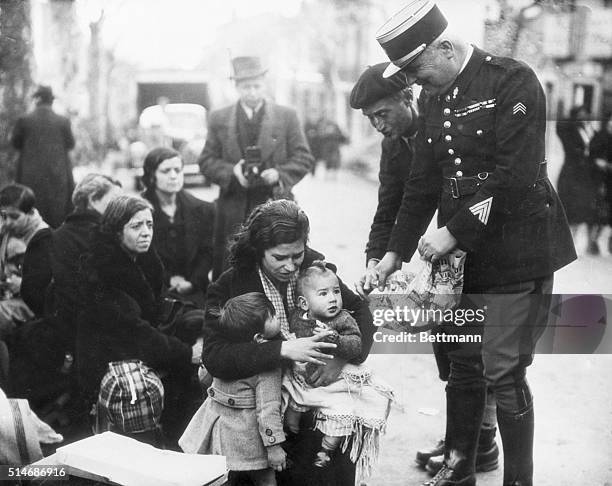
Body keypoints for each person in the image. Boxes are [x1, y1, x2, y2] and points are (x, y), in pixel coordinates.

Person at [372, 2, 576, 485]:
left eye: (418, 70)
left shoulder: (512, 81)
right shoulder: (435, 98)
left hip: (515, 250)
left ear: (444, 47)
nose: (418, 84)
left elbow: (517, 176)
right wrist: (393, 251)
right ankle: (466, 458)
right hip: (464, 261)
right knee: (465, 360)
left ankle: (518, 479)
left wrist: (453, 232)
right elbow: (423, 182)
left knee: (502, 371)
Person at [351, 63, 499, 478]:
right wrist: (375, 259)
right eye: (369, 119)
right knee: (449, 352)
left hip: (481, 243)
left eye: (382, 113)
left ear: (407, 97)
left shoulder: (449, 124)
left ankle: (475, 444)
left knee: (475, 351)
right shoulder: (395, 145)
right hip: (444, 259)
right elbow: (390, 205)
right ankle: (464, 440)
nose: (378, 125)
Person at [201, 199, 375, 486]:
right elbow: (215, 356)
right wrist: (282, 349)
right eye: (279, 257)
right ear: (259, 250)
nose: (290, 266)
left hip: (313, 402)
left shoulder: (313, 267)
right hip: (259, 411)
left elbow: (360, 313)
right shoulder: (231, 284)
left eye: (296, 255)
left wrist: (340, 358)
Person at [76, 195, 200, 446]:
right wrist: (187, 353)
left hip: (134, 348)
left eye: (150, 225)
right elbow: (135, 332)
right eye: (136, 226)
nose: (146, 233)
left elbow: (162, 305)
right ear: (115, 231)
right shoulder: (103, 271)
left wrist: (199, 322)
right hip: (109, 361)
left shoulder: (143, 260)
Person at [199, 56, 313, 279]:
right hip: (233, 206)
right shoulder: (219, 118)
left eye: (256, 86)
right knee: (232, 270)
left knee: (279, 266)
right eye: (245, 87)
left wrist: (279, 173)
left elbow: (304, 157)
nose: (251, 92)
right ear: (236, 86)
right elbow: (206, 161)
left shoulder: (286, 116)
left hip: (275, 205)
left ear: (265, 84)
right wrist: (231, 172)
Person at [283, 261, 393, 479]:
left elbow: (356, 344)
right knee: (293, 398)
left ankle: (326, 450)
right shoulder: (297, 317)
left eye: (336, 291)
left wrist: (337, 341)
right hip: (304, 376)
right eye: (323, 294)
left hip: (333, 380)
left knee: (340, 411)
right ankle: (291, 425)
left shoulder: (342, 318)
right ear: (304, 303)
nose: (333, 298)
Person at [181, 292, 287, 486]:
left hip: (219, 428)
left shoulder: (225, 353)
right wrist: (274, 447)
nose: (277, 316)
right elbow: (268, 408)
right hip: (249, 437)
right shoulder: (267, 364)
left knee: (218, 477)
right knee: (264, 478)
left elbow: (204, 378)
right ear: (258, 337)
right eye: (272, 316)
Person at [141, 147, 215, 306]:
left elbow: (207, 251)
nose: (173, 176)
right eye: (166, 171)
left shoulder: (203, 209)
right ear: (152, 175)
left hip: (196, 289)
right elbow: (141, 257)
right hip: (154, 290)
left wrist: (194, 282)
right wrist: (168, 279)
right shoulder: (139, 211)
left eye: (177, 170)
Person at [11, 86, 75, 228]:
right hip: (57, 176)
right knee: (56, 214)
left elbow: (16, 143)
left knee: (31, 210)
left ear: (37, 100)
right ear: (51, 101)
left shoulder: (24, 120)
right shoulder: (63, 121)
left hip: (30, 176)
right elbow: (71, 144)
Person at [0, 184, 48, 340]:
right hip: (7, 297)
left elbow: (48, 288)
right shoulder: (7, 231)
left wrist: (21, 284)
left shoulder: (43, 237)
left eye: (14, 217)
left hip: (29, 304)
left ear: (30, 212)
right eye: (3, 215)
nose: (7, 222)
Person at [556, 105, 600, 253]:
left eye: (586, 114)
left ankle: (579, 244)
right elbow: (560, 125)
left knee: (583, 208)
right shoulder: (569, 130)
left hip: (586, 175)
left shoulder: (589, 130)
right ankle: (566, 244)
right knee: (570, 208)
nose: (585, 117)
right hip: (571, 174)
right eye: (581, 114)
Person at [588, 113, 612, 254]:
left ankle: (607, 240)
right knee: (599, 211)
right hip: (601, 180)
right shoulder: (600, 137)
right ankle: (593, 241)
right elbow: (593, 158)